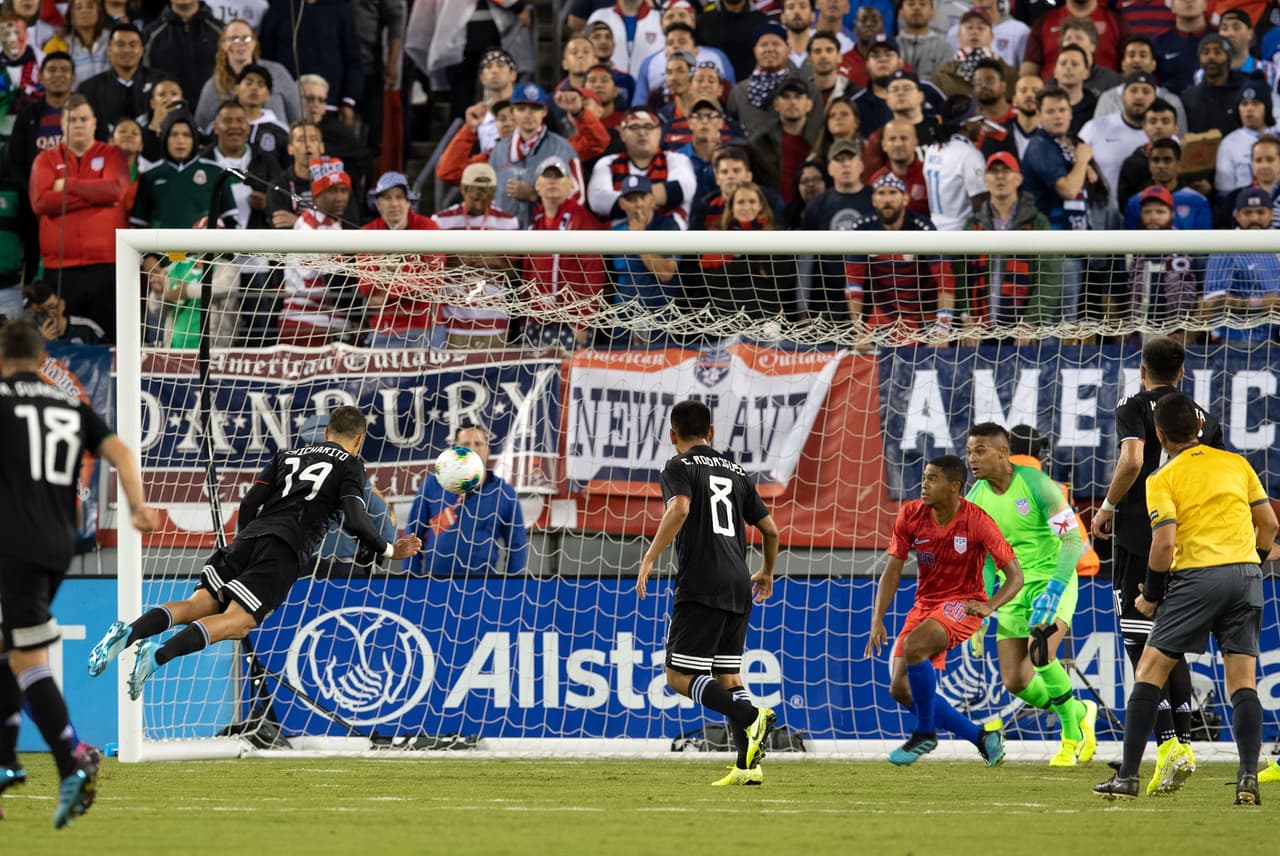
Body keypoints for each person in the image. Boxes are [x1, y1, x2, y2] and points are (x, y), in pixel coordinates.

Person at [89, 405, 422, 698]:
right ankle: (158, 656)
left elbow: (249, 503)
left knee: (198, 604)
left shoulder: (287, 456)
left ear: (325, 432)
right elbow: (355, 519)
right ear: (359, 439)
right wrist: (391, 550)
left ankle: (129, 632)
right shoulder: (351, 464)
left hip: (249, 537)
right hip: (285, 547)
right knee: (237, 623)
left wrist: (242, 542)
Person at [0, 319, 156, 827]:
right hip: (55, 544)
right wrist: (137, 506)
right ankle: (6, 761)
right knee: (9, 644)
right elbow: (121, 453)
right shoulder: (69, 405)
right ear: (40, 357)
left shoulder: (2, 397)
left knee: (26, 658)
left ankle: (72, 761)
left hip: (13, 543)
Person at [1094, 394, 1278, 805]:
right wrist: (1253, 562)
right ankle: (1248, 776)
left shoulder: (1162, 478)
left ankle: (1127, 776)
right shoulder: (1237, 464)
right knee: (1242, 683)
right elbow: (1268, 524)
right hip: (1247, 576)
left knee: (1149, 671)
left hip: (1196, 578)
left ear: (1159, 435)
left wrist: (1151, 595)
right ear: (1199, 428)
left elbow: (1164, 544)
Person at [1090, 338, 1222, 795]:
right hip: (1190, 538)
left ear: (1142, 369)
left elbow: (1130, 459)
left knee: (1139, 642)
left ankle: (1167, 746)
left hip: (1141, 534)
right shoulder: (1200, 414)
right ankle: (1181, 745)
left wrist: (1107, 506)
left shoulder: (1133, 403)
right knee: (1171, 641)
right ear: (1182, 373)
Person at [636, 399, 778, 786]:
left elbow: (679, 509)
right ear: (710, 433)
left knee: (678, 677)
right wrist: (766, 571)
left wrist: (650, 556)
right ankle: (748, 768)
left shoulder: (677, 465)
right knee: (729, 676)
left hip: (701, 581)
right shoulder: (737, 472)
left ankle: (753, 717)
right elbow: (771, 530)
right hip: (739, 581)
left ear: (672, 435)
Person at [866, 454, 1024, 765]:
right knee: (900, 689)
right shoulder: (910, 515)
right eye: (924, 477)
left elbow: (1016, 576)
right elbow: (893, 569)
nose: (924, 485)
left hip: (964, 604)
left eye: (932, 479)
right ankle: (982, 737)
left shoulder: (978, 521)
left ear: (954, 487)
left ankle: (925, 734)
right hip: (925, 604)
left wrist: (989, 605)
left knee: (915, 647)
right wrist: (877, 618)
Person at [965, 421, 1099, 766]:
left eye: (980, 451)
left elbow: (1072, 540)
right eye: (968, 452)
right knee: (1016, 681)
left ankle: (1070, 738)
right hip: (1014, 589)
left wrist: (1055, 589)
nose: (972, 460)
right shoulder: (975, 500)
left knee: (1041, 651)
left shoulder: (1039, 485)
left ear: (1003, 452)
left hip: (1053, 580)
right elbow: (982, 559)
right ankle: (1082, 710)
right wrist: (980, 608)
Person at [28, 93, 129, 342]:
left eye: (84, 119)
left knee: (110, 342)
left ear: (94, 122)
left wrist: (69, 185)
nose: (79, 125)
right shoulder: (46, 160)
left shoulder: (113, 154)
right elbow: (42, 202)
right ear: (62, 124)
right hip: (61, 270)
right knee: (61, 342)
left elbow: (115, 190)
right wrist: (95, 192)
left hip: (107, 268)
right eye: (72, 120)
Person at [405, 419, 527, 576]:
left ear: (487, 449)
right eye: (466, 444)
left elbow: (517, 545)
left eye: (478, 444)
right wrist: (409, 580)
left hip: (483, 587)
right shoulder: (432, 484)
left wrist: (511, 589)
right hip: (433, 584)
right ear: (454, 450)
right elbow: (413, 533)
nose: (472, 449)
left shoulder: (504, 492)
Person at [194, 18, 299, 130]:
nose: (241, 43)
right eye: (234, 39)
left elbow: (298, 118)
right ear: (223, 44)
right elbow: (201, 128)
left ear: (254, 43)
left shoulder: (278, 73)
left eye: (246, 38)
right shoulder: (214, 86)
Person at [143, 0, 223, 109]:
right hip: (165, 116)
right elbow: (143, 79)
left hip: (214, 116)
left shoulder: (222, 31)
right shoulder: (150, 34)